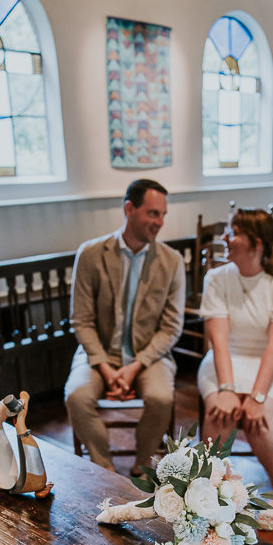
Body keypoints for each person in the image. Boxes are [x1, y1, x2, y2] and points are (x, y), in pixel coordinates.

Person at [198, 208, 273, 529]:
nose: (225, 238)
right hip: (229, 357)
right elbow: (218, 341)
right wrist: (227, 390)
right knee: (219, 414)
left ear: (256, 243)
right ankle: (209, 490)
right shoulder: (217, 279)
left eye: (233, 232)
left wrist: (258, 396)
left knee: (257, 418)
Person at [65, 179, 185, 473]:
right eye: (153, 213)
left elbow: (171, 327)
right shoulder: (91, 254)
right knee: (76, 397)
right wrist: (106, 367)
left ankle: (143, 465)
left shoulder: (172, 261)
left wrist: (133, 368)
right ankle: (103, 468)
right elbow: (81, 320)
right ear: (129, 208)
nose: (159, 222)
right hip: (99, 352)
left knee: (160, 397)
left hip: (149, 355)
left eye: (163, 215)